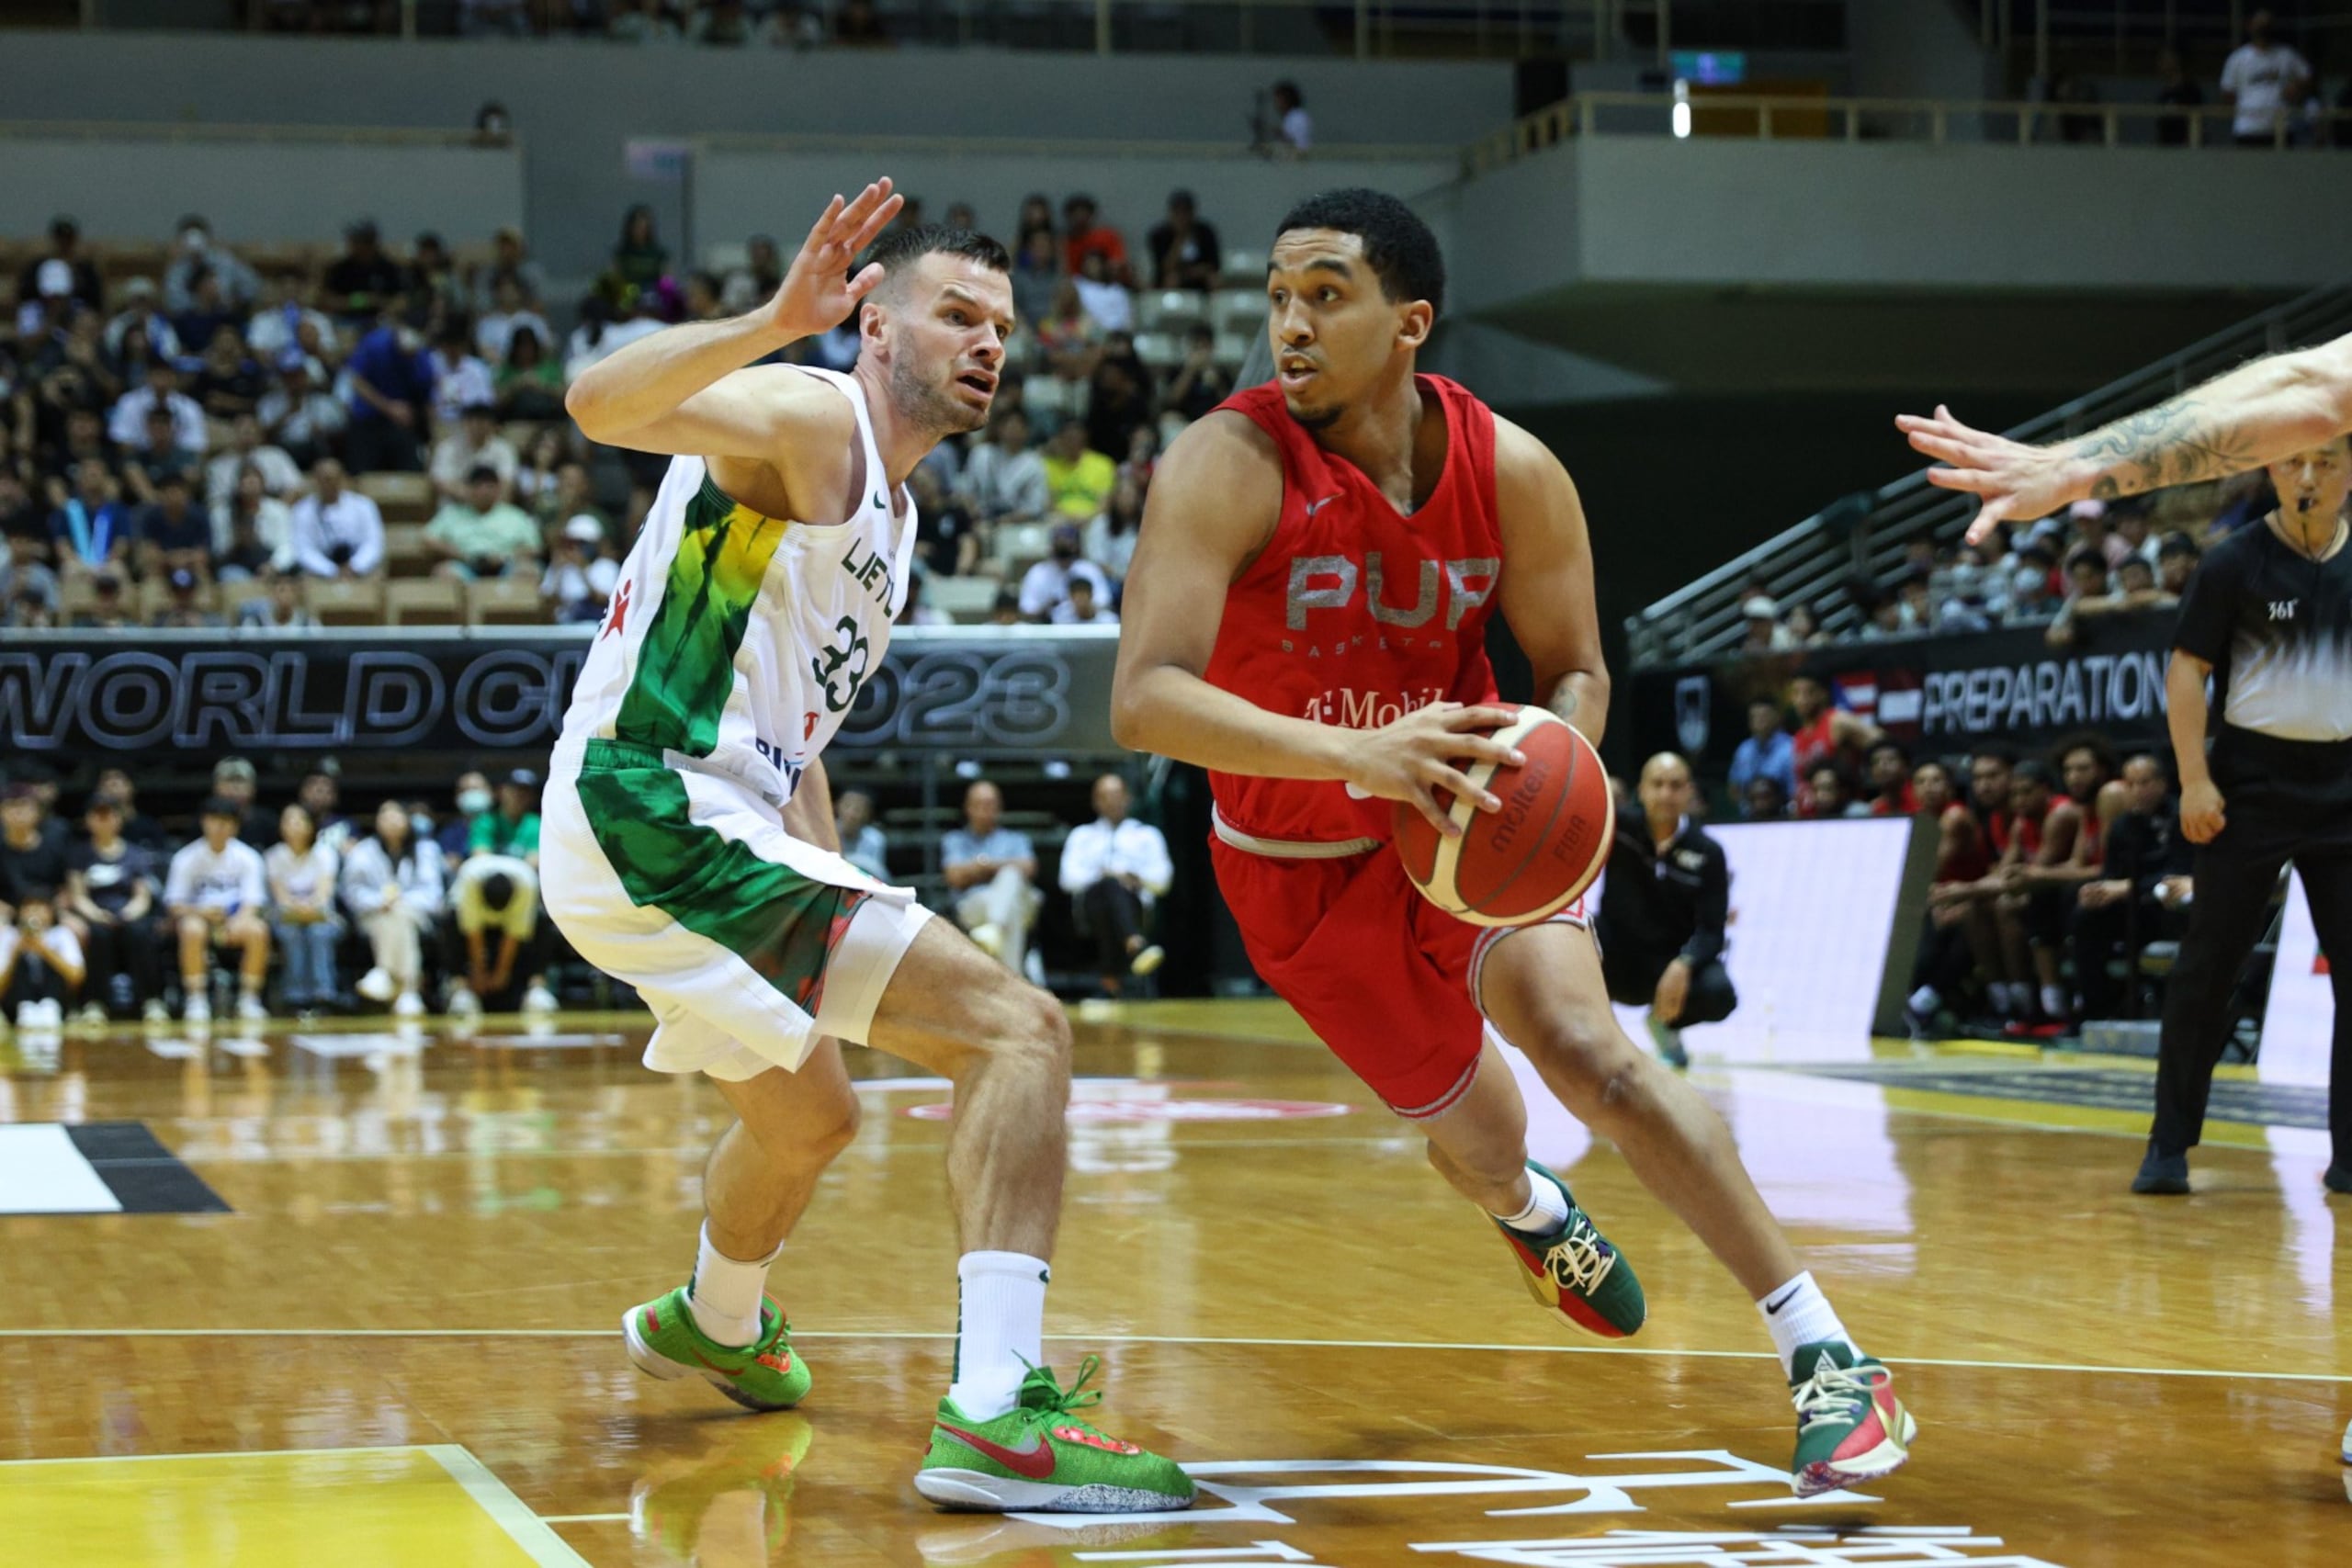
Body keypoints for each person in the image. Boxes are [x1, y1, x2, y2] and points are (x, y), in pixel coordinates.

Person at [1112, 187, 1914, 1495]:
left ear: (1408, 320)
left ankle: (1827, 1353)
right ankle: (1531, 1210)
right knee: (1481, 1139)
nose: (1289, 325)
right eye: (1276, 298)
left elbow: (1578, 668)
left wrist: (1543, 762)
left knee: (1596, 1053)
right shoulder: (1228, 460)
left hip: (1468, 826)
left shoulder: (1514, 470)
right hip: (1298, 869)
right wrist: (1350, 754)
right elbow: (1145, 695)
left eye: (1325, 294)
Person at [548, 181, 1189, 1510]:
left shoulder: (889, 521)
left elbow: (796, 744)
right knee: (1021, 1031)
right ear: (875, 324)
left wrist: (849, 889)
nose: (988, 341)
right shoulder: (809, 417)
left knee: (812, 1115)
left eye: (1001, 323)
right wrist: (773, 322)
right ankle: (998, 1414)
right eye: (956, 311)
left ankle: (716, 1317)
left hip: (694, 820)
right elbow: (597, 401)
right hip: (650, 809)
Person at [2128, 440, 2352, 1196]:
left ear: (2350, 470)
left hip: (2345, 786)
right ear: (2270, 473)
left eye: (2325, 460)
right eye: (2293, 463)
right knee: (2208, 968)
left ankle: (2350, 1155)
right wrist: (2194, 779)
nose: (2309, 476)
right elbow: (2187, 669)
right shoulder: (2233, 562)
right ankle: (2168, 1145)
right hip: (2250, 783)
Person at [1596, 754, 1736, 1071]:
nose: (1665, 794)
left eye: (1675, 786)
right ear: (1641, 790)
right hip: (1617, 960)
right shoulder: (1616, 828)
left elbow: (1712, 930)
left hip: (1669, 969)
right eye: (1657, 785)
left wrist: (1684, 964)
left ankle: (1664, 1024)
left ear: (1689, 791)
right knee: (1577, 937)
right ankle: (1597, 1040)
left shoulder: (1708, 852)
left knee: (1720, 994)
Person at [2072, 754, 2191, 1023]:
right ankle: (2095, 1007)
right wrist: (2097, 890)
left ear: (2162, 783)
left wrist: (2128, 888)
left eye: (2145, 782)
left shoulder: (2181, 817)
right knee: (2084, 915)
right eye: (2131, 784)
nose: (2138, 790)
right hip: (2129, 908)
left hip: (2165, 906)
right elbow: (2110, 874)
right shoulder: (2123, 825)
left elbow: (2180, 872)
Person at [1056, 773, 1170, 998]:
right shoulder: (1081, 836)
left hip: (1136, 907)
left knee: (1113, 892)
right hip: (1090, 908)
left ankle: (1109, 978)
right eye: (1105, 796)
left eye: (1117, 795)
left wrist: (1134, 877)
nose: (1112, 801)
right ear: (1095, 801)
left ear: (1128, 798)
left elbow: (1163, 881)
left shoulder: (1147, 835)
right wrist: (1103, 875)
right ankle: (1134, 944)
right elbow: (1067, 879)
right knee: (1107, 888)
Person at [164, 796, 272, 1024]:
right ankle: (196, 998)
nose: (220, 827)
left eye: (226, 821)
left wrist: (236, 922)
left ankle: (249, 999)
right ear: (204, 822)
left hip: (235, 921)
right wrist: (201, 913)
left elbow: (253, 903)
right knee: (192, 929)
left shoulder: (248, 858)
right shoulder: (185, 858)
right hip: (198, 918)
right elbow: (174, 905)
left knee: (258, 930)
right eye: (214, 820)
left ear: (235, 826)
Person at [340, 798, 447, 1020]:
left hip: (416, 914)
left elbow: (433, 893)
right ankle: (408, 991)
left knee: (399, 915)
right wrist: (380, 901)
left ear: (407, 821)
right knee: (392, 918)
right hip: (374, 915)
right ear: (377, 822)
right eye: (384, 817)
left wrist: (400, 901)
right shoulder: (363, 851)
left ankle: (385, 972)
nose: (390, 822)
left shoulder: (426, 849)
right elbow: (352, 891)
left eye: (396, 816)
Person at [64, 794, 164, 1023]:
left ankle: (151, 1001)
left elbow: (142, 895)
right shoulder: (79, 854)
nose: (104, 820)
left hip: (129, 912)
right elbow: (78, 895)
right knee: (97, 935)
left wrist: (129, 913)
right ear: (88, 820)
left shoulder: (135, 854)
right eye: (98, 815)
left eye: (109, 815)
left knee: (140, 933)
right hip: (95, 913)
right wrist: (96, 914)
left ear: (119, 819)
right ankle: (94, 1003)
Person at [942, 779, 1042, 985]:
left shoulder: (1016, 839)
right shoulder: (954, 839)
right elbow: (954, 877)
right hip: (974, 905)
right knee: (1011, 906)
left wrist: (984, 867)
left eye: (991, 804)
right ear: (968, 807)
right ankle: (1015, 984)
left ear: (999, 807)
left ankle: (994, 928)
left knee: (1011, 877)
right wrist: (1001, 866)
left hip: (1017, 904)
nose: (985, 809)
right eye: (979, 804)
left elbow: (1029, 868)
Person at [442, 855, 556, 1017]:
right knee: (449, 920)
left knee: (542, 922)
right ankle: (460, 989)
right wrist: (479, 973)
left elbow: (513, 936)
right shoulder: (469, 878)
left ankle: (536, 989)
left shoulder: (527, 882)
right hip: (471, 922)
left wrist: (501, 974)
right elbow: (473, 933)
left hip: (512, 923)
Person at [266, 802, 343, 1014]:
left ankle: (324, 994)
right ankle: (294, 996)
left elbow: (323, 894)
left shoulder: (325, 853)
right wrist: (297, 909)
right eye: (289, 820)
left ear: (311, 826)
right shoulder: (273, 856)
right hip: (285, 915)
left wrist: (310, 908)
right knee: (291, 933)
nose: (294, 825)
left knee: (318, 932)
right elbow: (281, 897)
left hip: (321, 914)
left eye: (300, 820)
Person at [2219, 9, 2310, 146]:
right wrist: (2248, 106)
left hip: (2281, 127)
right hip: (2248, 128)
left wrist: (2296, 88)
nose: (2263, 28)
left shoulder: (2286, 55)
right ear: (2250, 26)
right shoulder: (2238, 58)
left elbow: (2307, 76)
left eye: (2267, 24)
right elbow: (2227, 91)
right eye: (2259, 24)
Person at [0, 891, 84, 1031]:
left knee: (55, 964)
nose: (34, 912)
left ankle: (50, 1005)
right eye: (29, 907)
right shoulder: (9, 935)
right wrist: (15, 953)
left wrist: (44, 950)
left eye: (40, 907)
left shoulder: (62, 934)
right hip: (17, 1005)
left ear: (51, 912)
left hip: (56, 1003)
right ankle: (25, 1008)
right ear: (19, 912)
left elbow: (77, 977)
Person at [833, 788, 889, 882]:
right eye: (847, 806)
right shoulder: (825, 832)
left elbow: (876, 873)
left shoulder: (876, 840)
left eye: (858, 809)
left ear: (868, 814)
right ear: (837, 806)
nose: (851, 813)